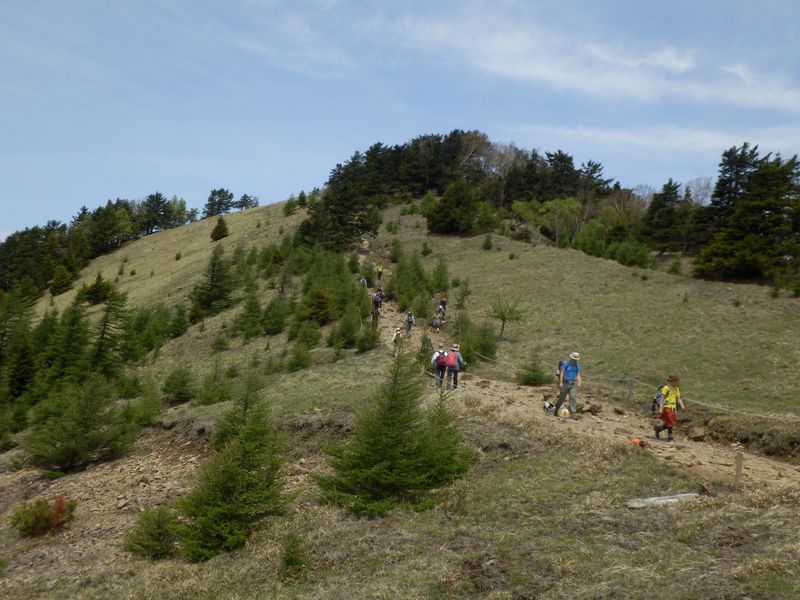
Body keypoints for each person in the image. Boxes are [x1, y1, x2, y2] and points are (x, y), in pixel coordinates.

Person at [654, 376, 685, 441]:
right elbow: (662, 398)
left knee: (671, 422)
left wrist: (682, 405)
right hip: (667, 407)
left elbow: (678, 398)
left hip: (673, 408)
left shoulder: (676, 389)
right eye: (674, 381)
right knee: (670, 421)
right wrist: (660, 409)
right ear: (670, 381)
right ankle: (670, 437)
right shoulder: (666, 388)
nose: (675, 382)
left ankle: (659, 429)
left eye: (676, 381)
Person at [553, 352, 582, 418]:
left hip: (573, 383)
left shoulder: (577, 365)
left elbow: (578, 374)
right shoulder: (566, 363)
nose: (575, 360)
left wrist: (579, 382)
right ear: (571, 358)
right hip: (565, 383)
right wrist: (561, 382)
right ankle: (556, 409)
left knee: (573, 397)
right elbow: (562, 373)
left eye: (576, 359)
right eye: (574, 359)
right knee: (561, 398)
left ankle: (573, 413)